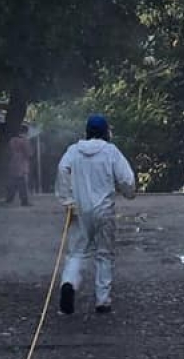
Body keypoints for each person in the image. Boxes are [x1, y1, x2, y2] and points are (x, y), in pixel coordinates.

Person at [55, 114, 135, 315]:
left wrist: (68, 201)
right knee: (104, 255)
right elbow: (127, 178)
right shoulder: (111, 151)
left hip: (79, 211)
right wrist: (129, 192)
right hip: (104, 211)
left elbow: (62, 169)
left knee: (76, 252)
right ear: (105, 132)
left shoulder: (73, 151)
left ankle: (69, 283)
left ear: (87, 132)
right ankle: (103, 301)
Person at [4, 125, 34, 206]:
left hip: (13, 162)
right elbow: (29, 153)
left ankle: (9, 199)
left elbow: (8, 151)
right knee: (22, 182)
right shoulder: (24, 141)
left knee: (12, 181)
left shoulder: (12, 140)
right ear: (25, 132)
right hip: (22, 162)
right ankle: (24, 201)